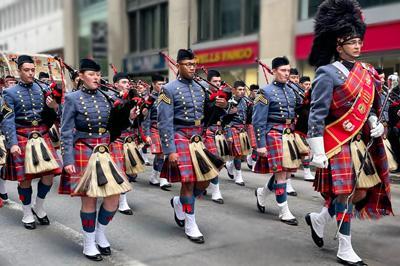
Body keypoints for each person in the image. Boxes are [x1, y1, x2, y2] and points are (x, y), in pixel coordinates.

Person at [305, 1, 392, 265]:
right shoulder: (326, 73)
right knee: (343, 194)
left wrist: (377, 122)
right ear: (338, 44)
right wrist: (317, 150)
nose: (358, 46)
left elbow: (372, 106)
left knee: (361, 193)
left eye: (358, 41)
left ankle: (320, 219)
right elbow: (316, 114)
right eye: (351, 42)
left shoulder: (367, 72)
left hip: (360, 141)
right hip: (337, 142)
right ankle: (345, 247)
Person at [60, 59, 131, 261]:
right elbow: (65, 131)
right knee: (89, 198)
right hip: (83, 148)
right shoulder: (72, 98)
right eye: (91, 74)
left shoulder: (108, 96)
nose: (96, 78)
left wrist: (130, 114)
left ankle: (100, 232)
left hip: (106, 148)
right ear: (81, 76)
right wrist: (68, 159)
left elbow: (117, 125)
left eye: (98, 74)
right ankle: (89, 243)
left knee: (113, 197)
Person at [158, 49, 225, 243]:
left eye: (194, 64)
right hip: (179, 135)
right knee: (188, 182)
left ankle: (180, 202)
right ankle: (190, 223)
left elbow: (209, 116)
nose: (192, 67)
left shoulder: (201, 87)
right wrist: (169, 150)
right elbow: (164, 122)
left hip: (198, 136)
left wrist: (219, 108)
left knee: (206, 179)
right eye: (188, 64)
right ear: (178, 65)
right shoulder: (168, 89)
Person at [2, 55, 62, 229]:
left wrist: (54, 107)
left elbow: (56, 114)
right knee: (26, 179)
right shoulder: (9, 92)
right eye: (26, 70)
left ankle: (39, 206)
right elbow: (7, 119)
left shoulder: (43, 88)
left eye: (32, 70)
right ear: (19, 71)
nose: (30, 73)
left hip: (42, 134)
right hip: (22, 135)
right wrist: (12, 143)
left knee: (49, 176)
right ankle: (27, 212)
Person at [253, 56, 301, 226]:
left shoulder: (292, 90)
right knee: (281, 174)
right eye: (283, 70)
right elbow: (258, 121)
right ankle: (284, 211)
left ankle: (262, 193)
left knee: (287, 173)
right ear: (273, 71)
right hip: (273, 133)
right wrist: (260, 145)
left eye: (288, 70)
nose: (286, 74)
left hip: (289, 133)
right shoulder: (264, 92)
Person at [202, 69, 228, 203]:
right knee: (213, 160)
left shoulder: (222, 95)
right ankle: (216, 191)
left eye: (219, 81)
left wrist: (228, 107)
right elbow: (206, 110)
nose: (218, 83)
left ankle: (203, 185)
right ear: (209, 82)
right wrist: (215, 100)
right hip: (205, 131)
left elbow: (226, 116)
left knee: (217, 160)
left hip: (218, 131)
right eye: (214, 81)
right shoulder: (204, 94)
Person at [143, 74, 171, 190]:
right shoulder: (149, 99)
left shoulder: (166, 96)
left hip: (166, 127)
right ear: (153, 84)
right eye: (159, 84)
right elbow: (146, 119)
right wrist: (147, 135)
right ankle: (162, 178)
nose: (162, 86)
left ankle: (154, 176)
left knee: (166, 153)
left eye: (163, 83)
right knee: (160, 153)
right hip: (154, 127)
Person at [224, 81, 253, 186]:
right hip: (232, 128)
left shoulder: (246, 101)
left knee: (240, 153)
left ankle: (229, 164)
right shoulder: (229, 102)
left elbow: (249, 116)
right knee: (238, 154)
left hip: (242, 130)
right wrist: (228, 134)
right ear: (234, 90)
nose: (242, 92)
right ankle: (239, 176)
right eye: (239, 90)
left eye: (243, 90)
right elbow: (225, 119)